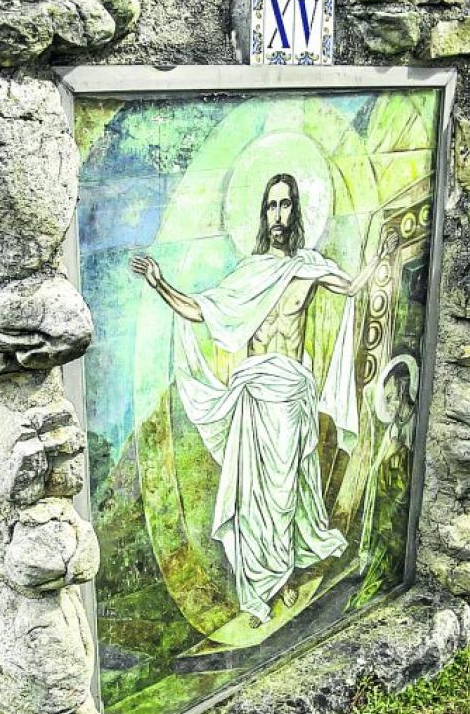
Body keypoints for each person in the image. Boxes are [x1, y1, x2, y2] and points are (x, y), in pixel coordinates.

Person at [130, 171, 359, 626]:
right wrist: (159, 283)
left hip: (292, 396)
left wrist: (384, 258)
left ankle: (286, 578)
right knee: (251, 501)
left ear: (296, 210)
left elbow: (352, 287)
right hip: (254, 396)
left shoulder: (310, 268)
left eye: (285, 205)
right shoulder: (248, 275)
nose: (278, 215)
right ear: (262, 214)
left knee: (286, 495)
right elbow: (199, 309)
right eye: (271, 206)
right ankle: (257, 592)